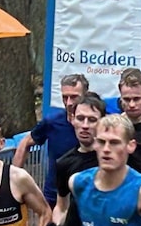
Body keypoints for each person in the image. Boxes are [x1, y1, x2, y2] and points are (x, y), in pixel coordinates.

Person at [14, 74, 89, 207]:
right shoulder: (52, 122)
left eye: (74, 97)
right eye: (65, 97)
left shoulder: (96, 123)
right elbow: (26, 142)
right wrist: (13, 180)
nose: (69, 102)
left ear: (85, 94)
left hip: (84, 195)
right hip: (54, 195)